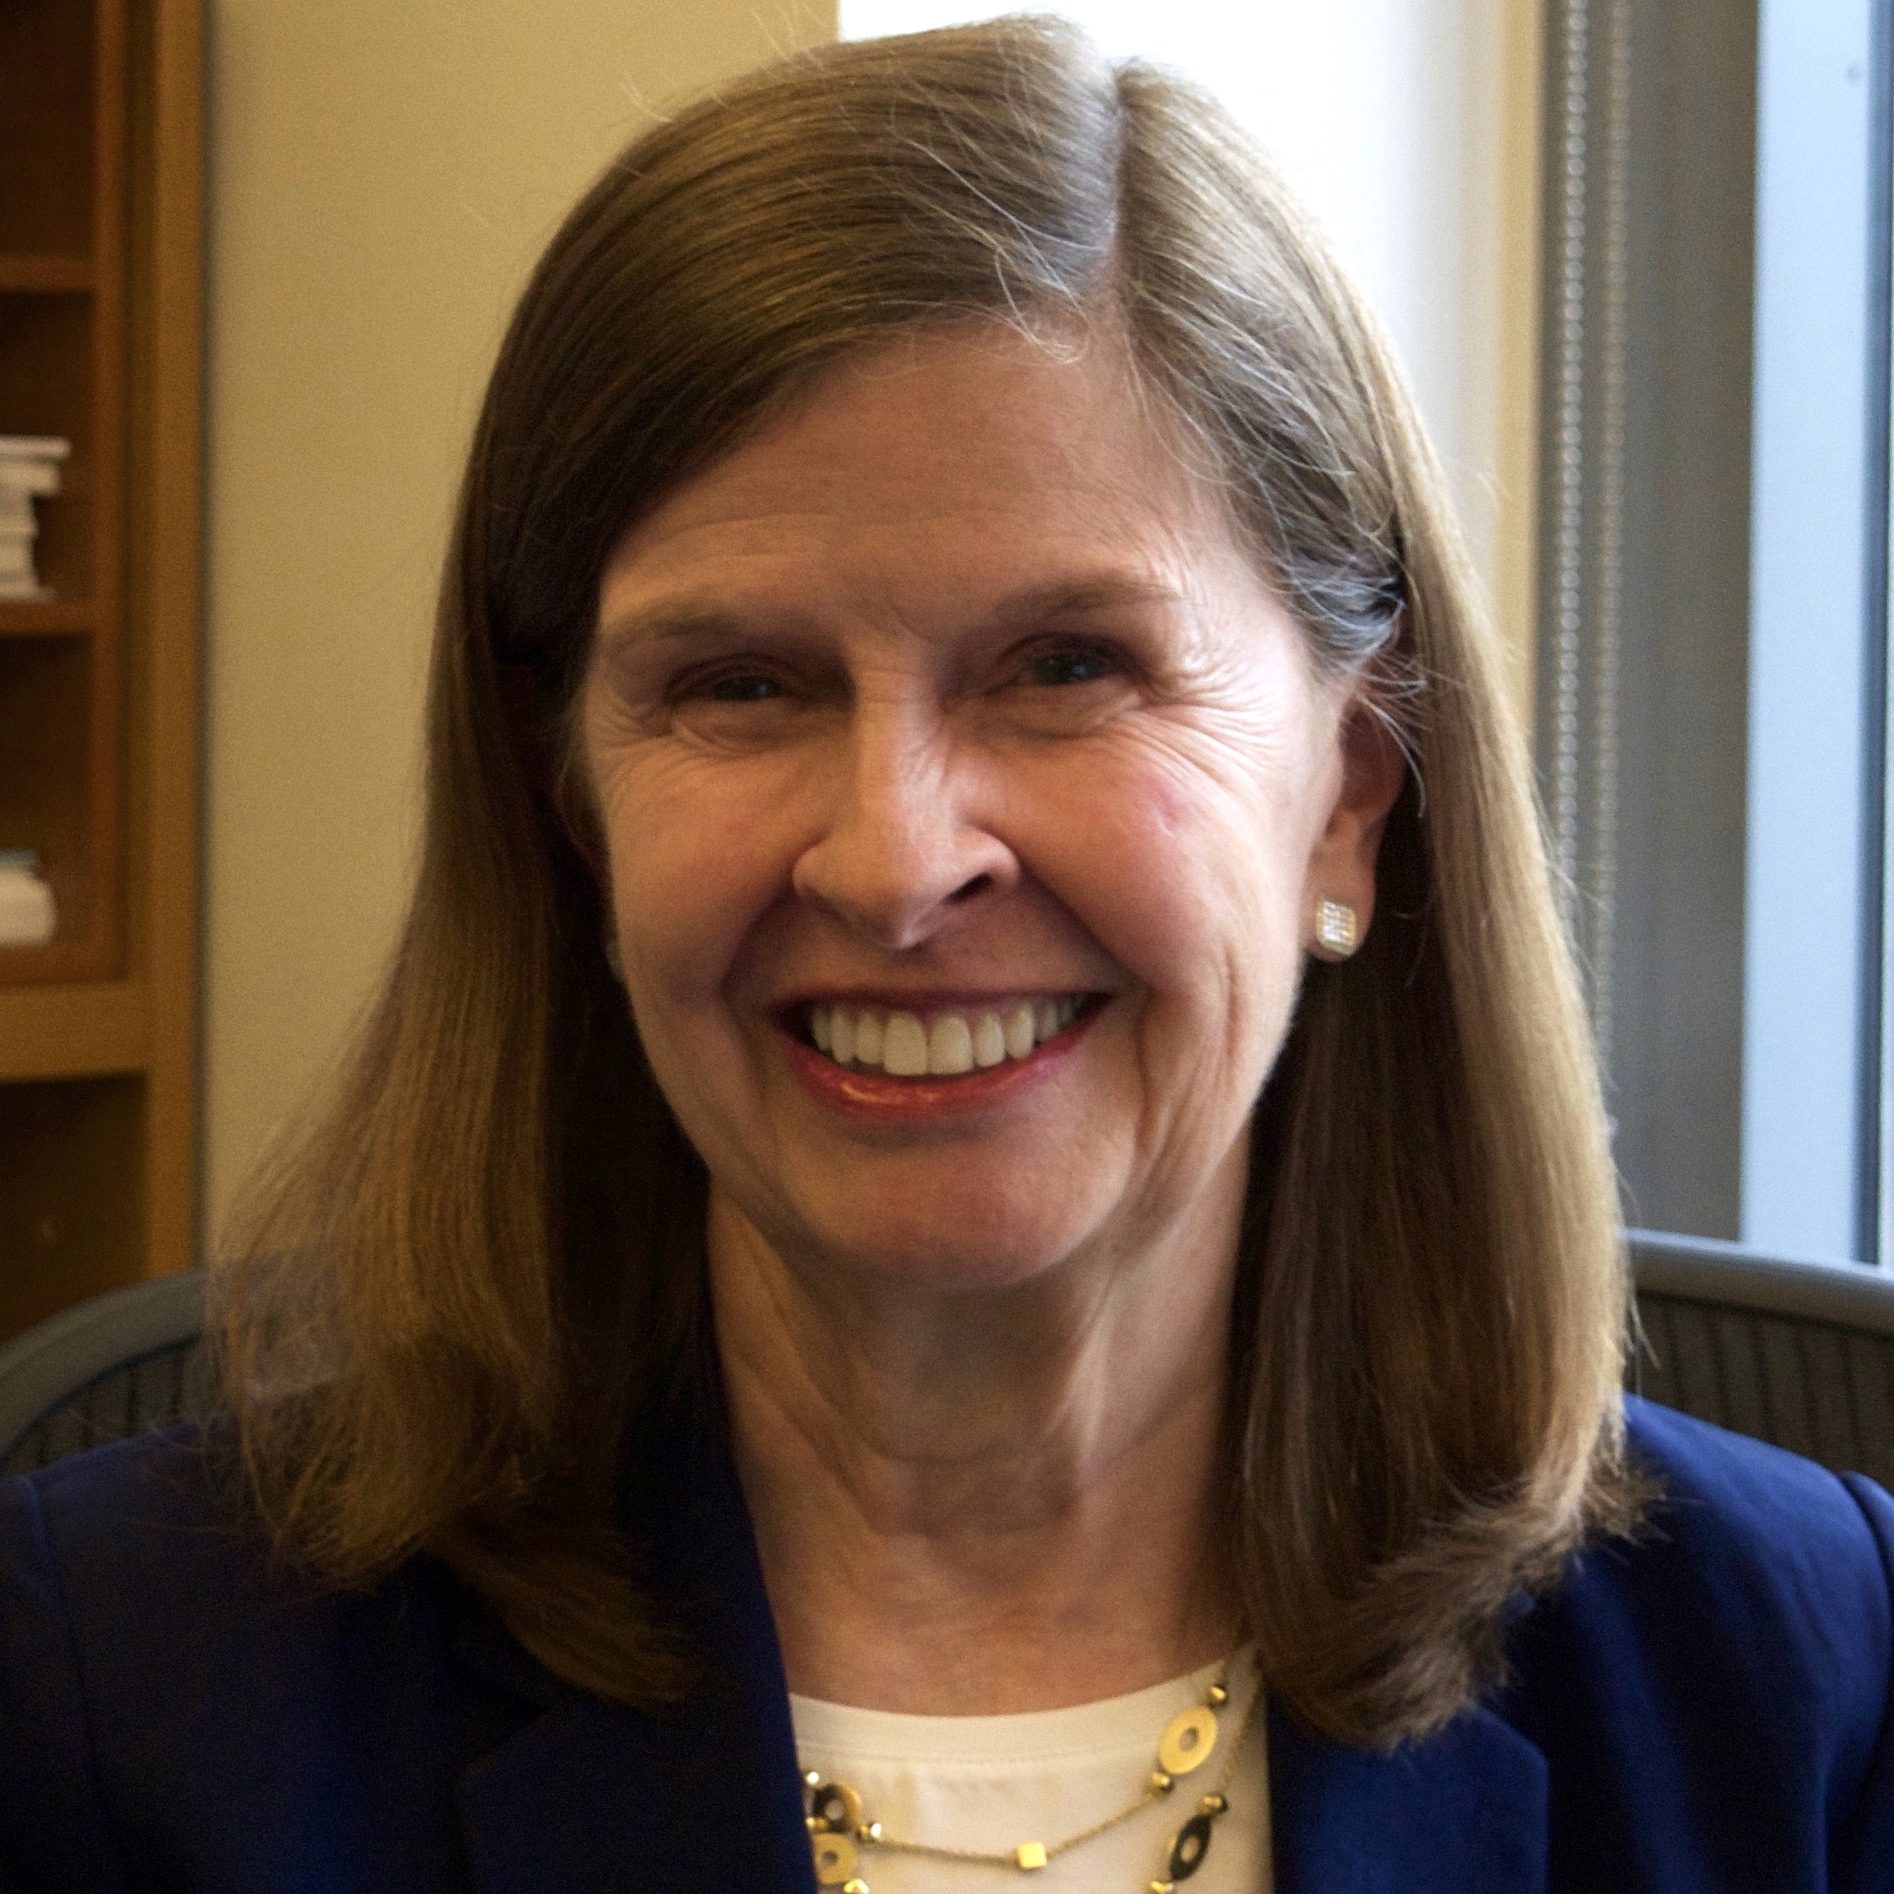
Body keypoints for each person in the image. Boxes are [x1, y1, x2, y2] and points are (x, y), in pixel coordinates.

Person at [2, 16, 1890, 1892]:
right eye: (737, 684)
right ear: (566, 801)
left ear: (1348, 795)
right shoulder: (108, 1694)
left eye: (1068, 665)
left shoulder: (1800, 1691)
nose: (897, 859)